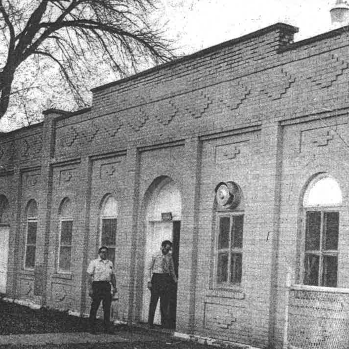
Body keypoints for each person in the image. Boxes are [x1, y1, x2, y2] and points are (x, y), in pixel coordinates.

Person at [147, 240, 177, 329]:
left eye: (169, 249)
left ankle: (163, 323)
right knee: (153, 301)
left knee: (164, 302)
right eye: (167, 249)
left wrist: (175, 280)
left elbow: (172, 269)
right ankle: (150, 322)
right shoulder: (155, 255)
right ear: (162, 247)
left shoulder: (169, 257)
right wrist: (149, 281)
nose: (168, 251)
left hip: (165, 278)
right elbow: (149, 268)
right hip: (156, 278)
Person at [87, 246, 117, 334]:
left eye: (106, 252)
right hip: (97, 285)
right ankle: (92, 328)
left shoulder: (110, 263)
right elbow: (89, 277)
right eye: (102, 252)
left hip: (106, 286)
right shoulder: (94, 263)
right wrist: (90, 289)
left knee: (107, 307)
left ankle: (107, 328)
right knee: (94, 306)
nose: (104, 254)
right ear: (99, 253)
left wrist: (115, 287)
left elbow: (112, 276)